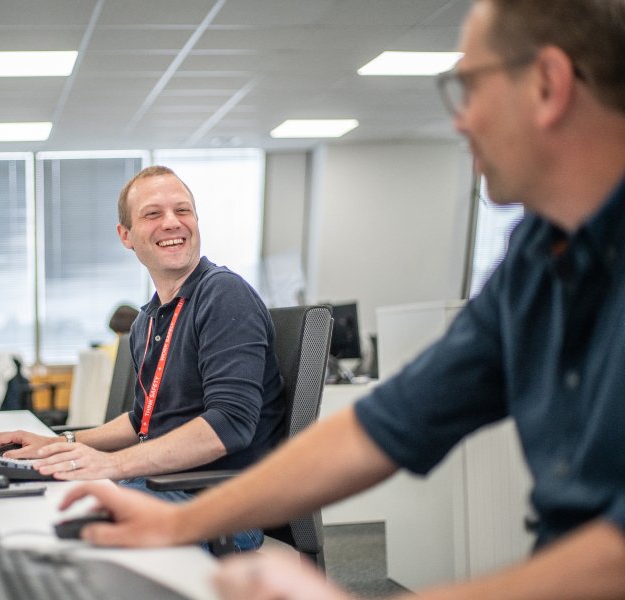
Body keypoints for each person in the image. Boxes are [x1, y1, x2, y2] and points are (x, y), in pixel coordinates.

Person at [58, 0, 625, 597]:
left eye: (469, 87)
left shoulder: (219, 294)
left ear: (548, 85)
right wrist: (179, 521)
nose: (459, 121)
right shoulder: (539, 258)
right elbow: (381, 427)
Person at [0, 165, 285, 551]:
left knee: (62, 529)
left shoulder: (223, 294)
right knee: (39, 500)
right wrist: (60, 441)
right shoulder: (147, 321)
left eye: (183, 210)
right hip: (160, 484)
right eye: (152, 214)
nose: (172, 223)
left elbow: (229, 424)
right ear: (125, 235)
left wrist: (112, 464)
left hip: (216, 506)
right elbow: (140, 420)